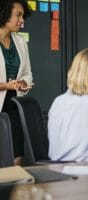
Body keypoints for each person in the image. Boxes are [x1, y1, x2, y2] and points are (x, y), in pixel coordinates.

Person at [0, 0, 33, 164]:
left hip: (14, 103)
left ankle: (16, 187)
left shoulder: (20, 42)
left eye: (22, 15)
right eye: (18, 15)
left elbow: (27, 73)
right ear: (4, 13)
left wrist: (23, 83)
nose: (22, 20)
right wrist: (5, 85)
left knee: (17, 153)